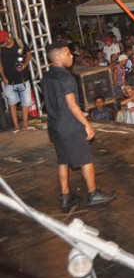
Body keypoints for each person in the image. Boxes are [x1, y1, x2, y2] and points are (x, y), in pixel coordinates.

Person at [41, 42, 115, 212]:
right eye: (68, 53)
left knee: (63, 160)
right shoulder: (67, 77)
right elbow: (73, 105)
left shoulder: (47, 76)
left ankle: (66, 196)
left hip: (54, 125)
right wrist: (87, 125)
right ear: (58, 57)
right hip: (69, 125)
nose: (72, 56)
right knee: (86, 159)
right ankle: (93, 193)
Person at [0, 30, 34, 133]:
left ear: (8, 39)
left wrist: (25, 64)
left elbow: (28, 53)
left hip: (23, 79)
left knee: (26, 103)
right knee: (12, 103)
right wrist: (3, 77)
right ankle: (16, 126)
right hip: (9, 81)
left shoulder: (19, 42)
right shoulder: (1, 49)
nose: (1, 45)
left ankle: (25, 124)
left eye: (2, 43)